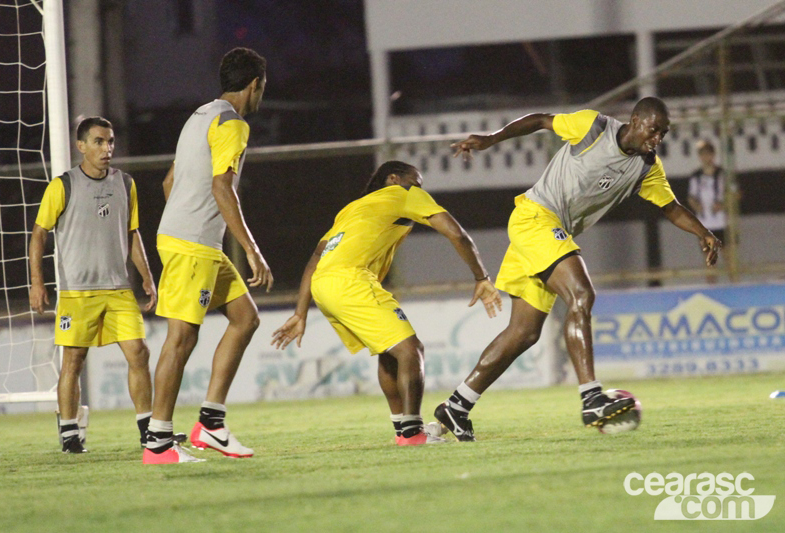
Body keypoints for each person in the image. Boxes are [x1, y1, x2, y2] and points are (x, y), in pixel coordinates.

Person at [434, 97, 722, 441]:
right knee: (582, 294)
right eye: (654, 129)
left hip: (546, 232)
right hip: (535, 218)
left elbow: (670, 206)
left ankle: (456, 406)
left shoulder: (647, 166)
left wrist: (703, 233)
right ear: (635, 120)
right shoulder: (593, 126)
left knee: (524, 332)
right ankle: (591, 398)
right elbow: (541, 119)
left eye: (664, 132)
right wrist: (492, 139)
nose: (658, 137)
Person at [271, 161, 502, 446]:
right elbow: (457, 234)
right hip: (351, 280)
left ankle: (405, 430)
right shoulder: (403, 193)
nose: (419, 188)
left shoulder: (353, 208)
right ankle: (412, 434)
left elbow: (315, 259)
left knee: (390, 352)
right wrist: (481, 276)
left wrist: (300, 312)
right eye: (415, 181)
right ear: (393, 178)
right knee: (410, 350)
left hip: (324, 284)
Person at [143, 48, 273, 464]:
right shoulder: (232, 124)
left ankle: (211, 424)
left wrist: (182, 226)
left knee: (245, 318)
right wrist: (252, 249)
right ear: (255, 84)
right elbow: (223, 188)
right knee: (181, 338)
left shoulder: (199, 116)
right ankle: (159, 442)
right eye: (262, 87)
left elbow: (169, 181)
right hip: (193, 243)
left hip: (190, 240)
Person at [29, 116, 157, 453]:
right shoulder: (64, 185)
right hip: (77, 293)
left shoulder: (125, 183)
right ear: (81, 146)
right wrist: (37, 283)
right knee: (73, 361)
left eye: (111, 141)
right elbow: (39, 234)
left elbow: (132, 234)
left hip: (117, 288)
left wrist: (146, 276)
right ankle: (70, 433)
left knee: (139, 353)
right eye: (99, 142)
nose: (107, 148)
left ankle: (149, 430)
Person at [687, 139, 730, 283]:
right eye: (703, 155)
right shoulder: (696, 176)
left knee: (728, 257)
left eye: (708, 154)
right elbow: (691, 197)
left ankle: (735, 285)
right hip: (705, 224)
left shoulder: (721, 174)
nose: (706, 158)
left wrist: (722, 205)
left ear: (713, 155)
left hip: (721, 223)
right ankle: (712, 289)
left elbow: (732, 194)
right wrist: (697, 206)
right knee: (710, 260)